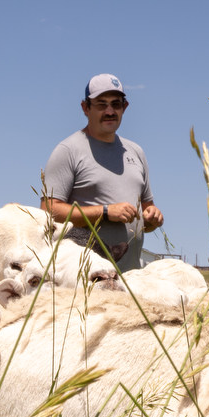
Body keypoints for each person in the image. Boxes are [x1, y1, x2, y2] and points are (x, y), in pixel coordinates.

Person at [41, 74, 164, 271]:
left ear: (125, 108)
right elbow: (48, 212)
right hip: (84, 279)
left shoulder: (136, 152)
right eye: (101, 104)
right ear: (85, 108)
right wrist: (105, 212)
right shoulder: (68, 150)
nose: (109, 111)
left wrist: (152, 218)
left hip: (131, 278)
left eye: (116, 104)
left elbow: (147, 213)